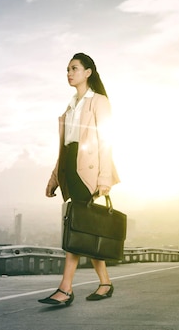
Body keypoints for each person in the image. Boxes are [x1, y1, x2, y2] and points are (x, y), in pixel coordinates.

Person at [38, 52, 120, 307]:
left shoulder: (99, 102)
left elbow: (106, 141)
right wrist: (54, 179)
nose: (69, 73)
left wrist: (104, 177)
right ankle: (105, 282)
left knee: (75, 226)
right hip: (70, 168)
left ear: (88, 72)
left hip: (89, 170)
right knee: (85, 225)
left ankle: (65, 288)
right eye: (67, 69)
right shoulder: (70, 107)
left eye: (74, 68)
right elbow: (65, 147)